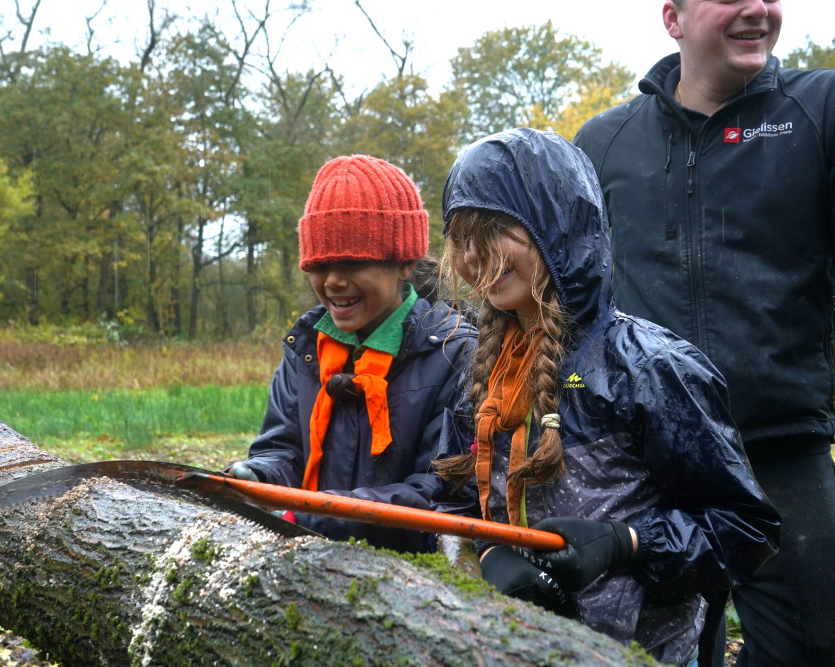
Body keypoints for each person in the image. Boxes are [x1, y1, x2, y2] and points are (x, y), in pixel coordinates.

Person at [573, 1, 835, 664]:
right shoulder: (603, 144)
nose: (758, 9)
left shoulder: (830, 107)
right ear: (673, 19)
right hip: (651, 466)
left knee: (823, 643)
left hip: (779, 452)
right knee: (659, 648)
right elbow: (574, 304)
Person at [430, 128, 780, 666]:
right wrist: (491, 555)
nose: (474, 257)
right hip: (514, 650)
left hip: (646, 653)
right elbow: (452, 503)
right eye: (462, 238)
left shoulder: (651, 367)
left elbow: (745, 530)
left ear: (558, 226)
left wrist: (626, 544)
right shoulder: (479, 370)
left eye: (495, 230)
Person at [226, 153, 476, 553]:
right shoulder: (306, 350)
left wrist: (315, 517)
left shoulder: (454, 354)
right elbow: (283, 450)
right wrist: (256, 479)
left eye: (354, 263)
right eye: (320, 265)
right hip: (308, 556)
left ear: (404, 264)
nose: (334, 281)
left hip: (411, 579)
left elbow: (440, 493)